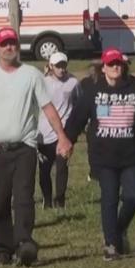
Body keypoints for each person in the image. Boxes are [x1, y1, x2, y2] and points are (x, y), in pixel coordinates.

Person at [0, 27, 73, 266]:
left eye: (12, 43)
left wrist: (62, 137)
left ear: (18, 46)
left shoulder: (31, 75)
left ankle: (24, 243)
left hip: (24, 147)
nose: (9, 47)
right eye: (4, 44)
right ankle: (3, 249)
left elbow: (47, 108)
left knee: (24, 197)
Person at [66, 48, 135, 261]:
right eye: (111, 64)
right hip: (103, 156)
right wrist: (67, 141)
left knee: (133, 197)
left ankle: (118, 231)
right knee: (109, 197)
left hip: (130, 154)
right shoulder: (92, 89)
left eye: (118, 63)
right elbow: (78, 117)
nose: (115, 67)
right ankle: (110, 244)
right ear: (103, 67)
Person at [37, 52, 81, 210]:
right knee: (44, 169)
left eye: (64, 65)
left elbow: (78, 103)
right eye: (58, 66)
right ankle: (47, 200)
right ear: (50, 67)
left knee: (62, 167)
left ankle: (60, 200)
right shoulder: (42, 82)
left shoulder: (73, 83)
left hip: (65, 133)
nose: (61, 69)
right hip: (44, 133)